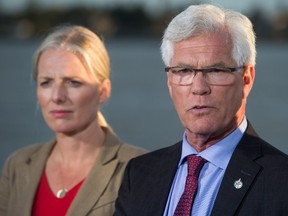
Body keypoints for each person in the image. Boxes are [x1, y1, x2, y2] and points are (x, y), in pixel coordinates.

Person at [114, 4, 288, 216]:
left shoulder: (281, 182)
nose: (199, 88)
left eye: (215, 70)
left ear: (246, 79)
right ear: (170, 82)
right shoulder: (138, 175)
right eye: (184, 71)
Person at [0, 25, 146, 216]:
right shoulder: (17, 165)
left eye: (73, 83)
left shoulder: (139, 169)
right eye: (46, 82)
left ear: (103, 91)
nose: (57, 96)